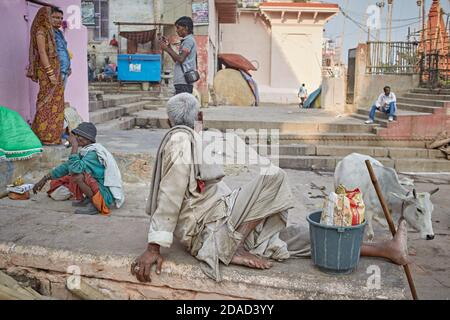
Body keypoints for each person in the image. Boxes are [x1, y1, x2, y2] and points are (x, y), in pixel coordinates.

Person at [130, 93, 410, 283]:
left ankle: (388, 250)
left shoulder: (190, 136)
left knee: (305, 238)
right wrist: (154, 247)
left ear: (169, 120)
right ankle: (234, 247)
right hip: (213, 230)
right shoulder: (180, 139)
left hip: (224, 216)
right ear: (198, 115)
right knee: (273, 177)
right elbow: (171, 191)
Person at [33, 122, 125, 215]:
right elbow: (66, 166)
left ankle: (96, 204)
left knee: (77, 176)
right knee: (74, 173)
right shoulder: (86, 151)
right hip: (98, 188)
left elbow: (75, 169)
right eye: (76, 136)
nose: (76, 138)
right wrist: (45, 178)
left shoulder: (93, 153)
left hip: (105, 194)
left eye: (79, 135)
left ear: (87, 138)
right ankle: (90, 199)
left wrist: (74, 146)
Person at [27, 7, 65, 145]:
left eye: (60, 18)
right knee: (46, 102)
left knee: (56, 103)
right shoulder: (41, 32)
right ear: (45, 17)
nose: (58, 20)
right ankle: (44, 135)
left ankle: (53, 135)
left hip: (56, 70)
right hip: (47, 72)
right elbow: (42, 54)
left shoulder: (52, 32)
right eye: (54, 17)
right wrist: (50, 73)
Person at [160, 16, 198, 95]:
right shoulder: (186, 40)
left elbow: (181, 59)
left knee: (182, 106)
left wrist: (167, 49)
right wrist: (169, 46)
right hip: (181, 81)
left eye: (178, 28)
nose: (176, 31)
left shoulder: (188, 41)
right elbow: (177, 60)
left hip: (183, 82)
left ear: (186, 28)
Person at [51, 7, 72, 88]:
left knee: (60, 97)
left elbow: (63, 51)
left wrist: (68, 67)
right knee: (54, 97)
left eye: (61, 18)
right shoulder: (49, 33)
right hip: (55, 71)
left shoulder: (59, 33)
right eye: (56, 17)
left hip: (64, 70)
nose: (59, 20)